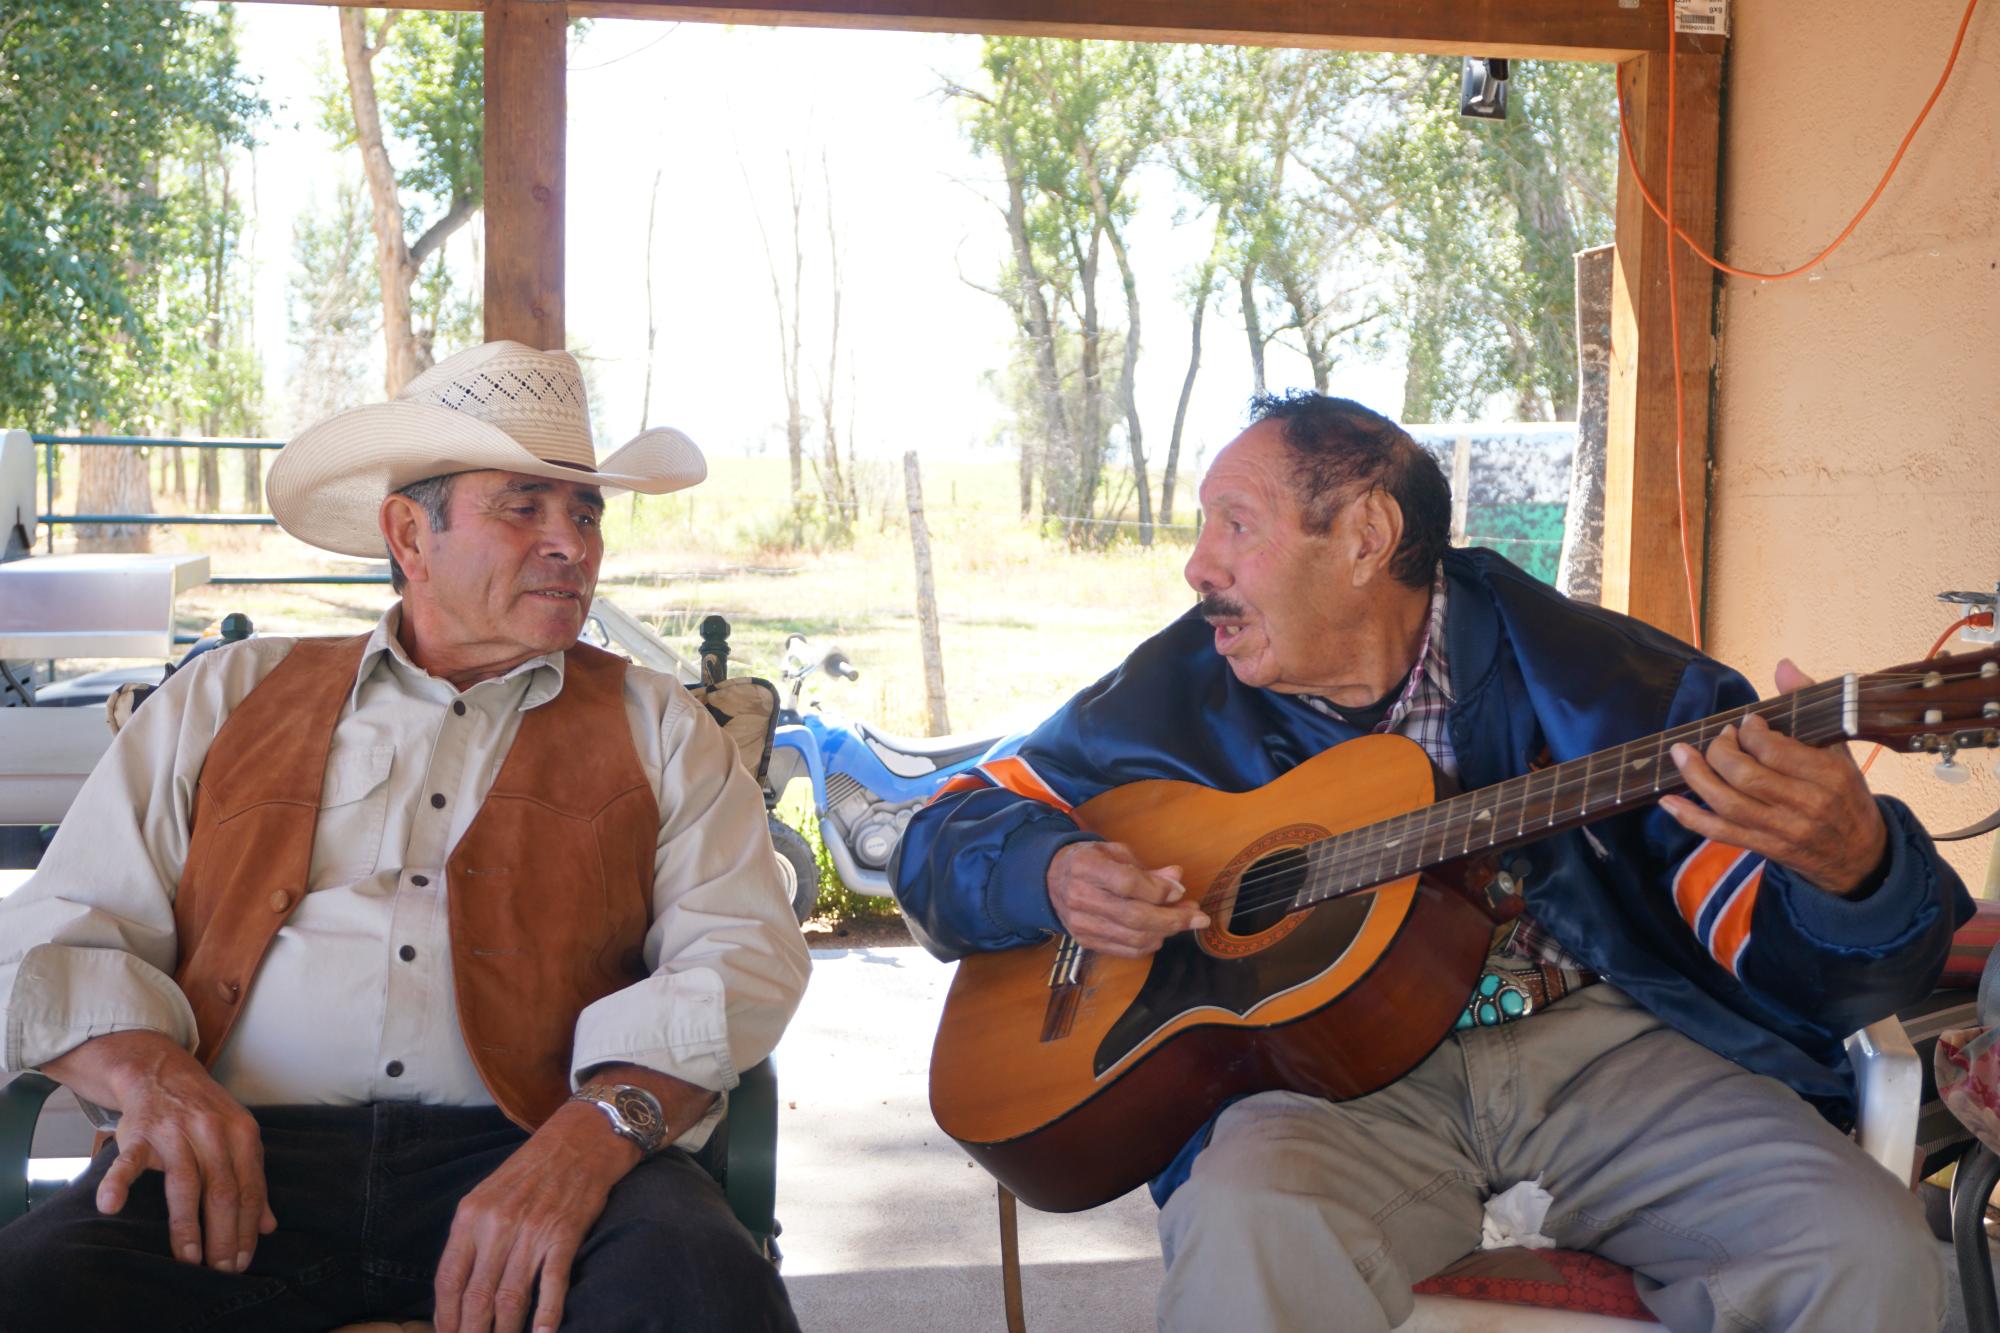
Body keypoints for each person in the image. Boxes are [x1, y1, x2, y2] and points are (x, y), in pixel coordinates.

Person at [894, 391, 1971, 1333]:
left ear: (1363, 534)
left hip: (1610, 1054)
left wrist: (1853, 870)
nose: (1197, 564)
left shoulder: (1615, 688)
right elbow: (944, 825)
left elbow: (1803, 961)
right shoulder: (1173, 690)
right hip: (1323, 1084)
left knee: (1861, 1251)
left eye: (1235, 524)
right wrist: (1046, 870)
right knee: (1243, 1222)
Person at [0, 341, 812, 1332]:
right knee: (33, 1292)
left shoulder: (658, 725)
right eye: (524, 505)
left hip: (541, 1142)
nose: (573, 544)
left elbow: (741, 955)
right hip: (239, 1162)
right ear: (407, 533)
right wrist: (153, 1080)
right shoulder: (227, 695)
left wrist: (593, 1136)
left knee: (698, 1297)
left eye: (586, 512)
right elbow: (52, 933)